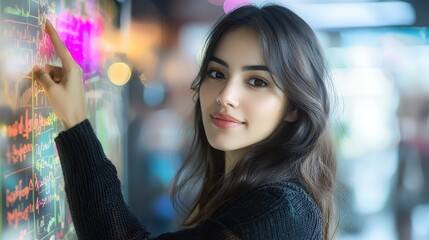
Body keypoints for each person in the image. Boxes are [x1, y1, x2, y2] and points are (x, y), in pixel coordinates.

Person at [33, 4, 337, 240]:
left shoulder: (280, 210)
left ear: (294, 108)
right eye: (217, 74)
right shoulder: (259, 196)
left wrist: (75, 121)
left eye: (257, 82)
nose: (226, 96)